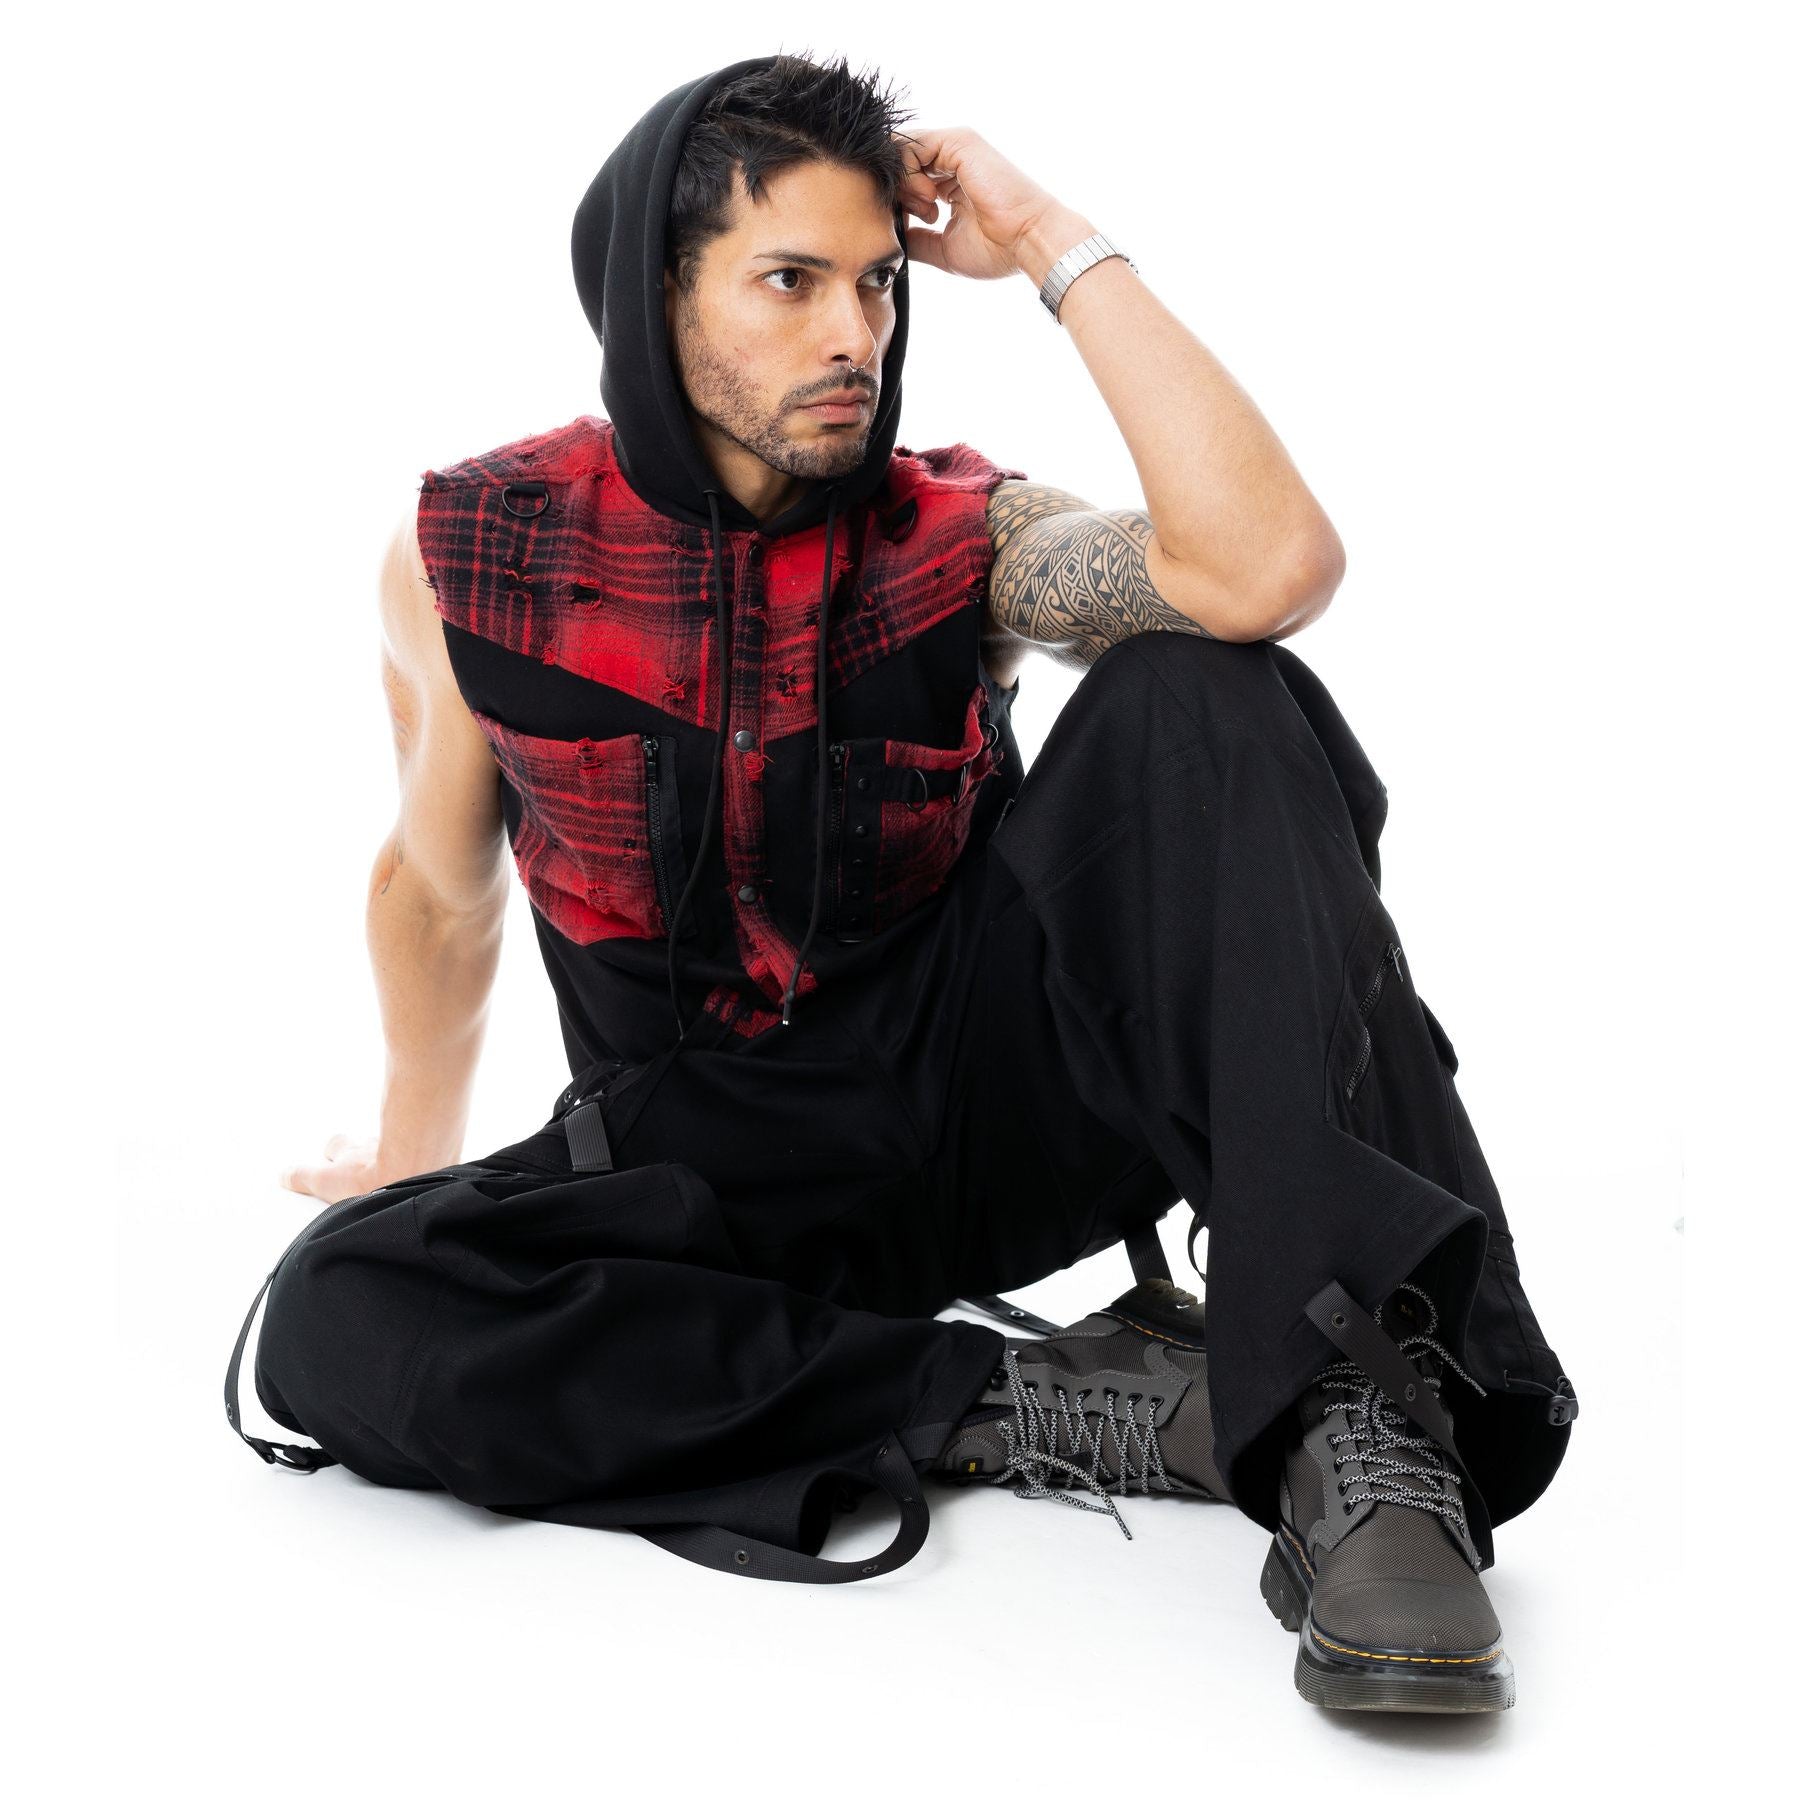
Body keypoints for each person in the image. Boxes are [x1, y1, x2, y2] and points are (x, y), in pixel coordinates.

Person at [232, 52, 1577, 1714]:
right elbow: (438, 894)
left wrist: (1052, 238)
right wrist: (410, 1166)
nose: (854, 334)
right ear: (657, 296)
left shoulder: (961, 534)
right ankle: (1033, 1405)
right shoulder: (481, 554)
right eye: (789, 282)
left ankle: (1362, 1411)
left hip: (989, 1120)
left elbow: (1264, 568)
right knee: (339, 1310)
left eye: (874, 283)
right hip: (706, 1181)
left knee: (1203, 689)